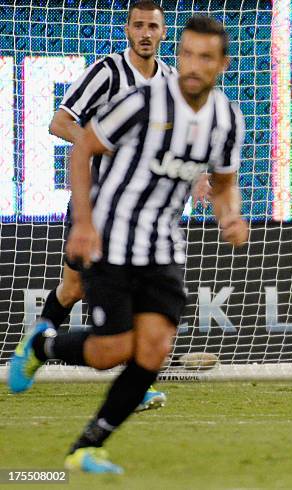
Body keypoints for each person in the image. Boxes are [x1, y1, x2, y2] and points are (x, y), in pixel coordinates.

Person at [9, 15, 247, 473]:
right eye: (188, 54)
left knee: (154, 350)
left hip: (163, 246)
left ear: (222, 63)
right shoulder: (140, 102)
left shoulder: (226, 118)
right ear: (179, 56)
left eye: (206, 57)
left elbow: (224, 181)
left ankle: (87, 447)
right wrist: (82, 221)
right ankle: (42, 346)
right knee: (109, 353)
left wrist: (229, 216)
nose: (194, 65)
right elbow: (81, 148)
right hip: (110, 236)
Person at [46, 0, 174, 412]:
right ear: (127, 31)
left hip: (141, 212)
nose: (145, 33)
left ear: (163, 32)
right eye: (138, 25)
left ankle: (134, 384)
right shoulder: (106, 72)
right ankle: (33, 350)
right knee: (73, 288)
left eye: (153, 26)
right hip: (96, 204)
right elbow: (60, 121)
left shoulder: (171, 81)